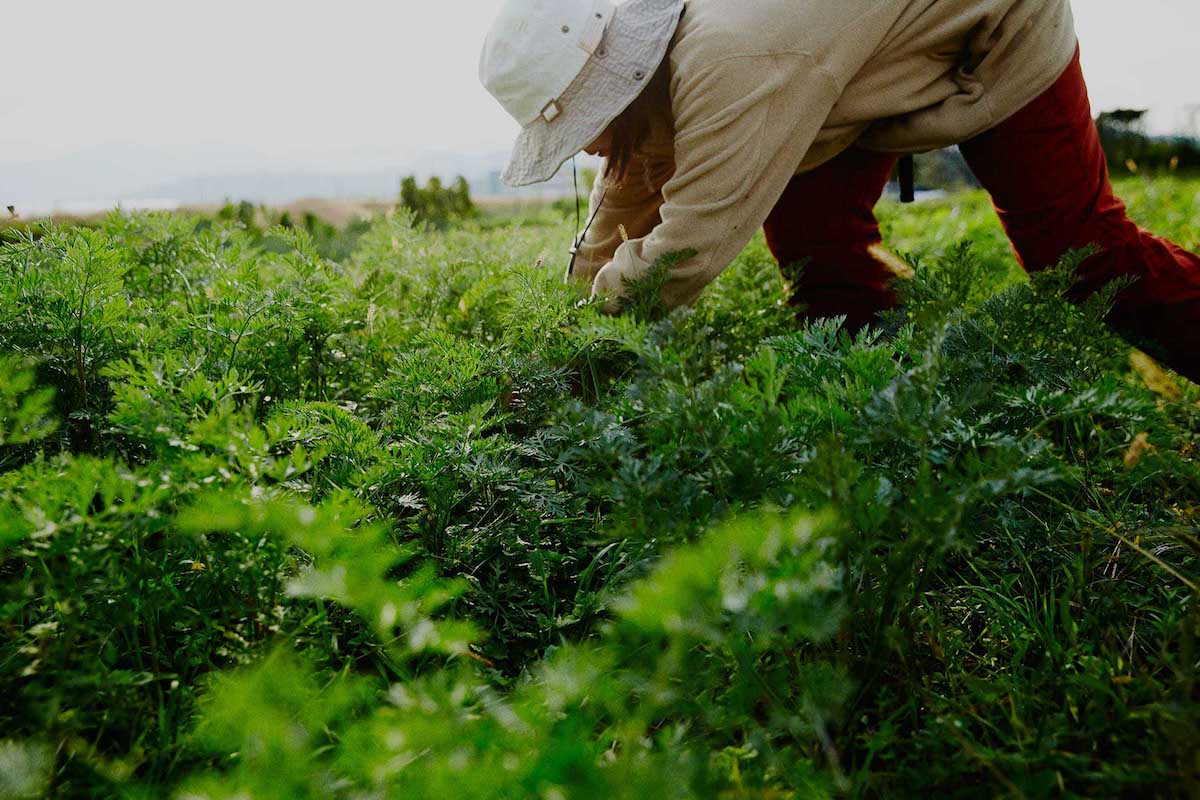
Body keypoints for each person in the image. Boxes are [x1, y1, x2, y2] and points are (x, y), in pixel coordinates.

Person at [478, 0, 1200, 382]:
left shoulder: (734, 62)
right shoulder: (657, 73)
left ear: (614, 87)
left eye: (583, 125)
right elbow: (623, 198)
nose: (588, 146)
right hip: (855, 65)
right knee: (819, 257)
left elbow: (685, 252)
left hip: (992, 26)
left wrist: (579, 361)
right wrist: (562, 329)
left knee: (1082, 258)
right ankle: (882, 422)